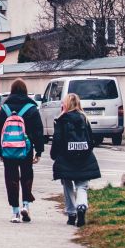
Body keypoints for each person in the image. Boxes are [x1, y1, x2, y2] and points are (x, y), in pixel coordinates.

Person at [0, 79, 46, 223]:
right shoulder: (32, 108)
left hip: (9, 150)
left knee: (11, 178)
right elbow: (38, 131)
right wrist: (39, 151)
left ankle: (15, 212)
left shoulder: (4, 109)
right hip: (26, 150)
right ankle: (26, 205)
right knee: (27, 176)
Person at [51, 93, 101, 226]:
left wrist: (54, 155)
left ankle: (71, 213)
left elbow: (57, 140)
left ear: (65, 104)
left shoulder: (61, 120)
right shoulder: (84, 119)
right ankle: (81, 206)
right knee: (82, 186)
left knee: (67, 185)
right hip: (84, 158)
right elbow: (92, 140)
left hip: (66, 159)